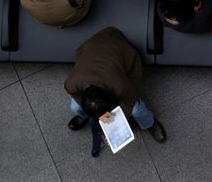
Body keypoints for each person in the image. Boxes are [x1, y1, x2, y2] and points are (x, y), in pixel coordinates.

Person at [64, 27, 166, 157]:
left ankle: (148, 123)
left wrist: (114, 126)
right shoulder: (72, 82)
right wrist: (104, 118)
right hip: (94, 48)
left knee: (137, 110)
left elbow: (130, 99)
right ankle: (84, 115)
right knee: (74, 105)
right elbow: (72, 93)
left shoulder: (120, 85)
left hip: (120, 48)